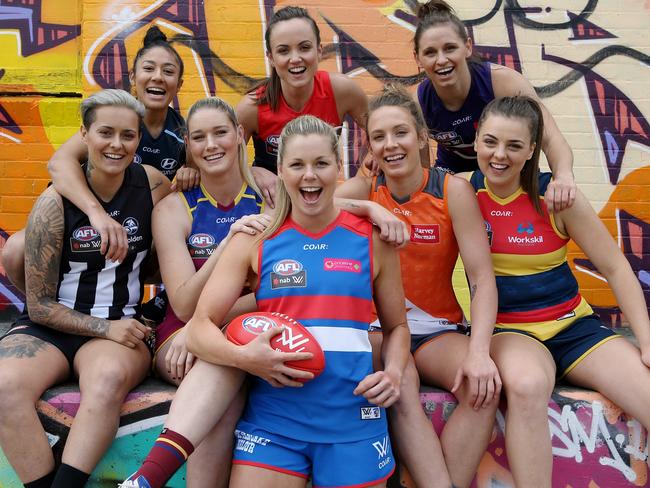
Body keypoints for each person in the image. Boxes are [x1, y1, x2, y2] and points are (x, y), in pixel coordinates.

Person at [464, 95, 650, 487]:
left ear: (532, 150)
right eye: (492, 141)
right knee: (527, 387)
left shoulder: (557, 196)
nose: (500, 155)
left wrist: (647, 342)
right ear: (477, 139)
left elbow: (616, 267)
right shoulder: (461, 195)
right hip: (511, 332)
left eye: (514, 146)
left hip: (574, 327)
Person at [0, 89, 171, 488]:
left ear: (138, 140)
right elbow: (40, 307)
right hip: (51, 327)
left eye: (127, 136)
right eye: (105, 133)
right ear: (85, 134)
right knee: (4, 386)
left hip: (119, 325)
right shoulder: (53, 203)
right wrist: (105, 329)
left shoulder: (154, 188)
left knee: (108, 378)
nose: (116, 144)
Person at [336, 84, 500, 488]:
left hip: (438, 329)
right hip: (380, 328)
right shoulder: (364, 190)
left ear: (422, 137)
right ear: (369, 147)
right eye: (378, 137)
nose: (390, 145)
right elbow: (310, 206)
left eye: (400, 132)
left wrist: (479, 352)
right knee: (401, 384)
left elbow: (481, 278)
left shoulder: (451, 190)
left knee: (484, 389)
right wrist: (371, 206)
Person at [151, 96, 271, 487]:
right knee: (223, 368)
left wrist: (211, 324)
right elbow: (184, 304)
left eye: (221, 132)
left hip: (247, 328)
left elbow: (285, 290)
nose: (211, 145)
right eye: (199, 137)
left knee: (229, 368)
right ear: (188, 144)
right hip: (180, 337)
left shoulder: (272, 197)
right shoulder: (172, 208)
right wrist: (227, 245)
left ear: (239, 134)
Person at [413, 0, 576, 213]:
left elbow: (551, 137)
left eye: (450, 48)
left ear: (468, 47)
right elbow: (420, 169)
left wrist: (563, 176)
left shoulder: (502, 83)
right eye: (430, 52)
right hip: (456, 174)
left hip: (508, 167)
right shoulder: (418, 103)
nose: (441, 59)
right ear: (418, 58)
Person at [236, 5, 368, 175]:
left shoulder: (342, 91)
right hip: (270, 198)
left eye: (304, 48)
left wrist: (369, 162)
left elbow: (382, 132)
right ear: (271, 59)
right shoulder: (252, 107)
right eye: (283, 51)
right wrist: (256, 174)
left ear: (319, 51)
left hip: (320, 196)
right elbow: (227, 164)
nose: (295, 59)